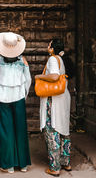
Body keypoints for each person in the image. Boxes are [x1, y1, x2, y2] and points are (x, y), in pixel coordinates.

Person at [0, 32, 32, 174]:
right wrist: (24, 94)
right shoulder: (22, 60)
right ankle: (23, 164)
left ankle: (9, 165)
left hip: (2, 97)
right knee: (20, 129)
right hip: (18, 97)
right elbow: (28, 80)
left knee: (5, 130)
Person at [35, 38, 73, 177]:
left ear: (52, 48)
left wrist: (39, 76)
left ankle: (55, 167)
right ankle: (66, 162)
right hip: (62, 98)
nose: (47, 46)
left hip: (53, 100)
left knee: (52, 131)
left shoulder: (52, 59)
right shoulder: (62, 59)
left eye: (49, 44)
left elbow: (54, 76)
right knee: (63, 130)